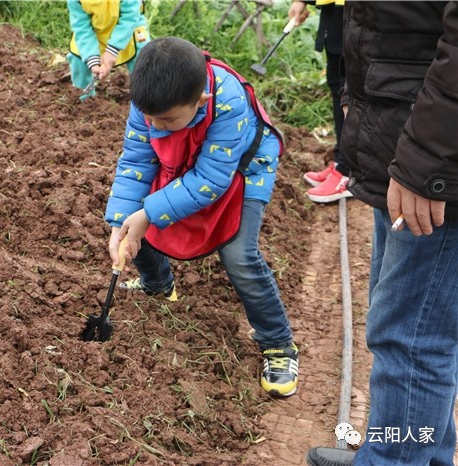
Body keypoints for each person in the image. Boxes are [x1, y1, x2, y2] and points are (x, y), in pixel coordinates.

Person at [104, 37, 299, 397]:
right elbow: (135, 161)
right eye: (146, 117)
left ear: (201, 102)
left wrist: (148, 214)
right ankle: (158, 285)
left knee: (239, 255)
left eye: (164, 120)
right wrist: (122, 222)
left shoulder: (227, 103)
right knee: (133, 215)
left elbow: (212, 180)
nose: (153, 126)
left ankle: (278, 344)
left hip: (244, 168)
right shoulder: (151, 104)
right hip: (188, 159)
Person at [307, 2, 458, 465]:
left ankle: (391, 457)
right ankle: (422, 453)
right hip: (401, 138)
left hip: (430, 154)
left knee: (410, 338)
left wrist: (428, 161)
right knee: (406, 321)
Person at [288, 0, 352, 204]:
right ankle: (341, 162)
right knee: (337, 87)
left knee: (350, 94)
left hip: (357, 15)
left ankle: (349, 172)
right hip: (335, 13)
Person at [66, 0, 149, 97]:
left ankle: (147, 100)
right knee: (78, 61)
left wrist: (113, 50)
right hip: (94, 30)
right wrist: (91, 59)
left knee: (144, 61)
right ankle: (84, 101)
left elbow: (130, 16)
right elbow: (82, 27)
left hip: (128, 28)